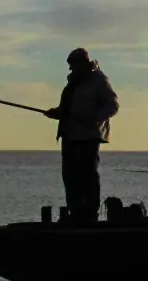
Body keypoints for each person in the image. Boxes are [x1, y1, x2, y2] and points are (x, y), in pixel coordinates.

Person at [42, 47, 119, 224]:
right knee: (70, 176)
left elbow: (113, 106)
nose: (71, 69)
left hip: (88, 136)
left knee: (88, 176)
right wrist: (57, 113)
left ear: (83, 64)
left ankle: (89, 214)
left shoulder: (98, 80)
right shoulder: (72, 83)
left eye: (73, 65)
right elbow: (67, 109)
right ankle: (75, 212)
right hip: (69, 135)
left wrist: (93, 119)